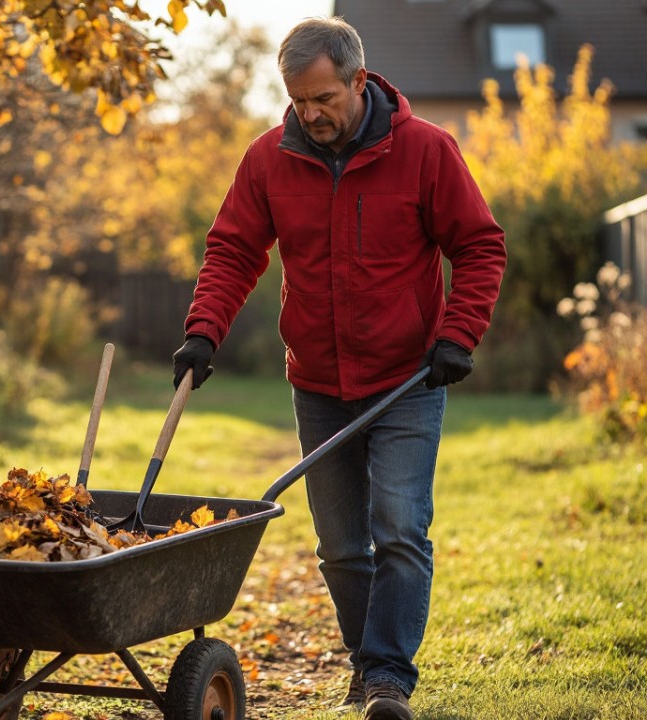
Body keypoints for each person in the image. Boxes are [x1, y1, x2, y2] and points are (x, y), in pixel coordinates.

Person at [172, 16, 506, 720]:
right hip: (318, 382)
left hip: (407, 378)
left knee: (399, 528)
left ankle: (387, 681)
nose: (309, 113)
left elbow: (479, 245)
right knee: (341, 548)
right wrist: (204, 332)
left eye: (322, 97)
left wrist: (457, 334)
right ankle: (365, 664)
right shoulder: (270, 158)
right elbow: (234, 250)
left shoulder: (425, 152)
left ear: (359, 80)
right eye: (298, 100)